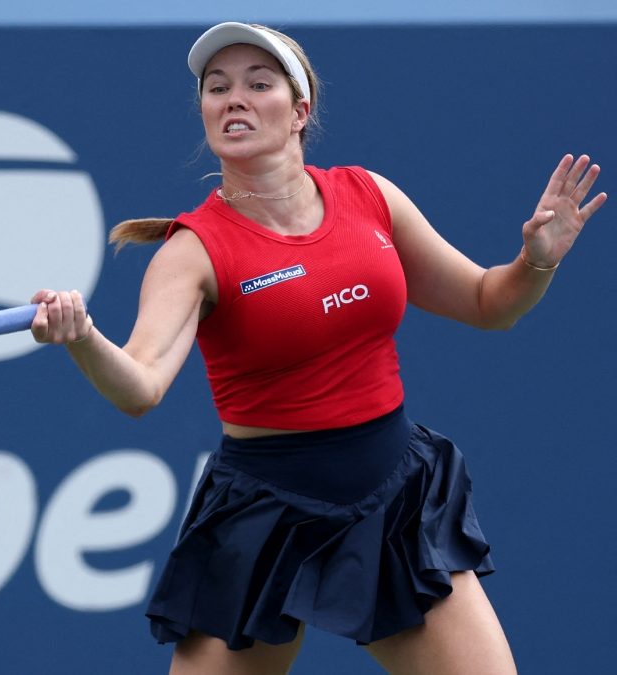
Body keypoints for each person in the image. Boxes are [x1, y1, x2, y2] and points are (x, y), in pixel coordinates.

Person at [30, 21, 606, 675]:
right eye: (217, 88)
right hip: (264, 518)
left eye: (258, 83)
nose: (233, 99)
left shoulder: (371, 197)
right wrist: (82, 337)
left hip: (392, 502)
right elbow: (141, 385)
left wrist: (536, 262)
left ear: (300, 110)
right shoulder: (192, 251)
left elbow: (487, 302)